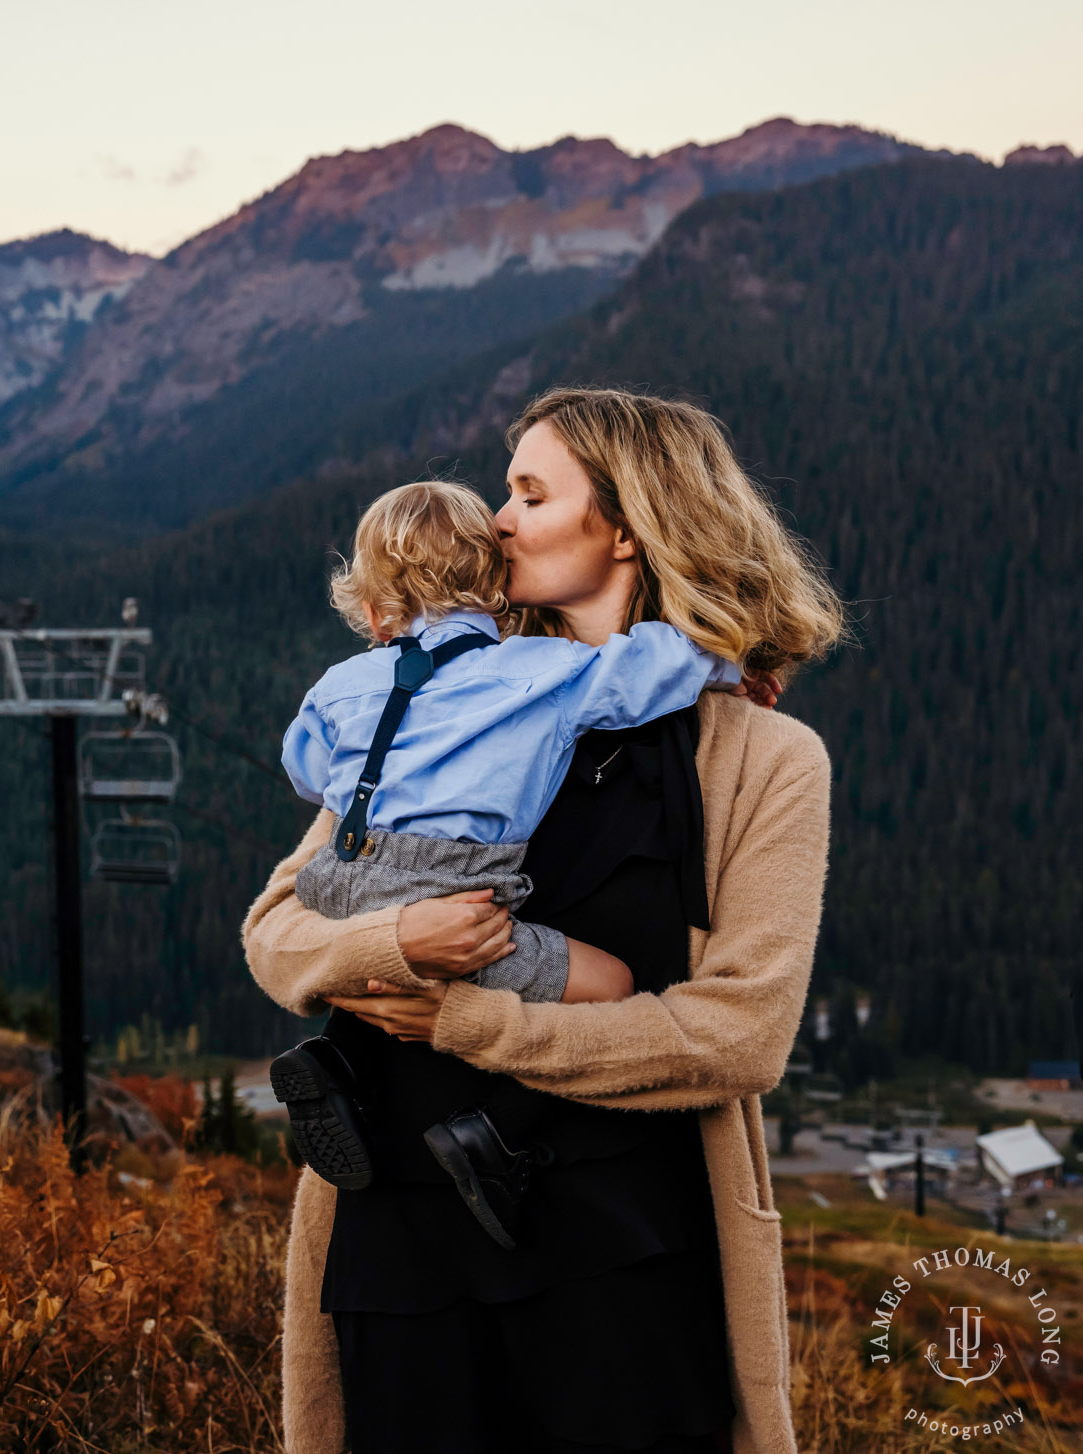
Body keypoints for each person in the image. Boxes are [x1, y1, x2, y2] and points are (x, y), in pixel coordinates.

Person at [243, 387, 844, 1454]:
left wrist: (464, 1022)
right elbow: (278, 931)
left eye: (527, 491)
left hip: (622, 1253)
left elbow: (738, 1035)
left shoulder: (760, 760)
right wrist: (393, 946)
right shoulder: (430, 709)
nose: (497, 518)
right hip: (398, 1239)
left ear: (624, 524)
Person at [270, 479, 746, 1246]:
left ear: (372, 611)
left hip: (338, 885)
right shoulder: (543, 674)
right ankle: (491, 1133)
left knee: (377, 963)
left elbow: (306, 771)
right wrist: (728, 665)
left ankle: (336, 1065)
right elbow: (650, 669)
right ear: (497, 588)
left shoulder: (339, 684)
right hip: (453, 896)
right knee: (610, 984)